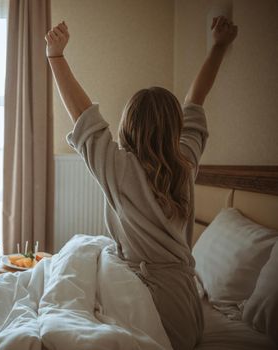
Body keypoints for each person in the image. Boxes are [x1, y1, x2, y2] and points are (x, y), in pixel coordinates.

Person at [45, 16, 237, 350]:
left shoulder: (118, 167)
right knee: (86, 252)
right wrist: (218, 48)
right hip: (184, 310)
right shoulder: (186, 161)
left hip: (145, 302)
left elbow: (83, 116)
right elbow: (195, 101)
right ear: (175, 129)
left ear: (128, 125)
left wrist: (55, 56)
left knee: (79, 257)